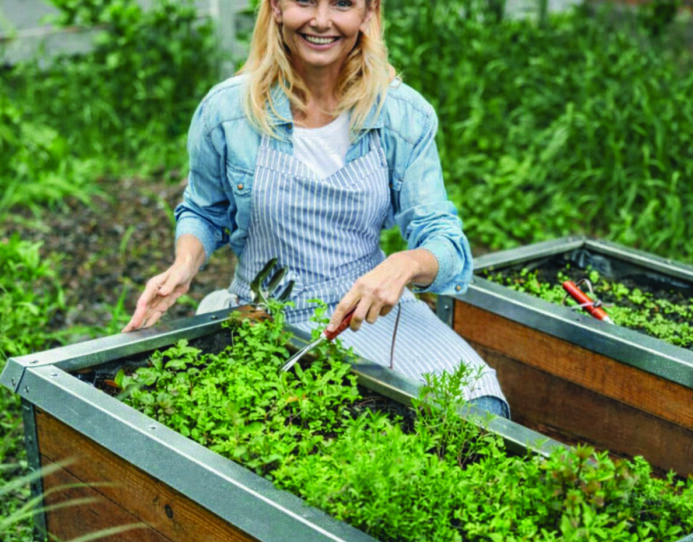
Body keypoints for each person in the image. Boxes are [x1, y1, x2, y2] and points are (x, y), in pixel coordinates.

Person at [122, 0, 509, 417]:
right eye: (305, 1)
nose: (321, 20)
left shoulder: (401, 115)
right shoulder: (229, 111)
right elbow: (204, 209)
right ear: (275, 8)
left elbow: (446, 241)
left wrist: (406, 264)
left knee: (481, 409)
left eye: (342, 4)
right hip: (263, 310)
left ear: (367, 13)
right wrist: (184, 264)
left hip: (364, 313)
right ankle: (219, 306)